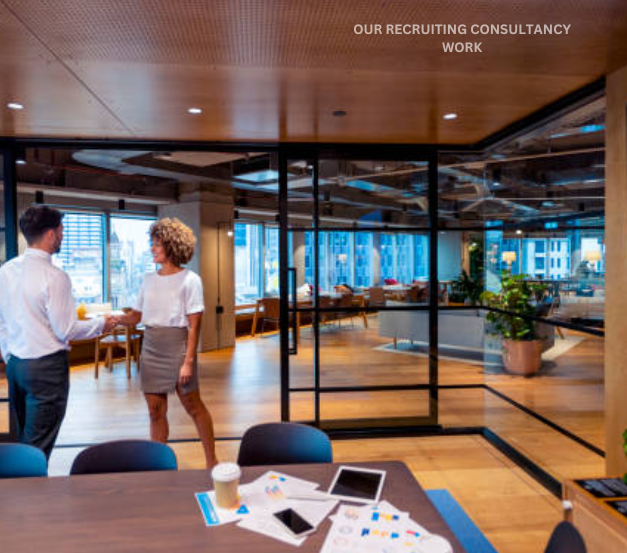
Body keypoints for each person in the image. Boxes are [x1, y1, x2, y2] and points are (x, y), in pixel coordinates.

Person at [0, 206, 117, 459]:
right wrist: (102, 325)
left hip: (16, 366)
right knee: (37, 448)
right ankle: (31, 495)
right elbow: (67, 329)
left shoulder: (6, 270)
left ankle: (20, 494)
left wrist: (9, 356)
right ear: (51, 234)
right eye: (62, 230)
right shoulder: (55, 276)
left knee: (24, 443)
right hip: (46, 370)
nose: (63, 235)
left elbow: (3, 322)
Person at [117, 217, 218, 468]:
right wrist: (114, 320)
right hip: (150, 347)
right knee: (154, 411)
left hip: (177, 348)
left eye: (157, 244)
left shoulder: (190, 280)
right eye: (152, 243)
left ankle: (211, 461)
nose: (152, 248)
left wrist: (188, 362)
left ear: (171, 246)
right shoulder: (148, 279)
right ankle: (158, 464)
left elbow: (195, 325)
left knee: (193, 406)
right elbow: (136, 316)